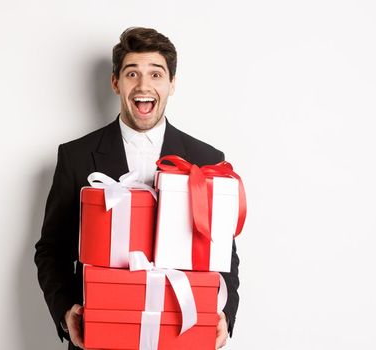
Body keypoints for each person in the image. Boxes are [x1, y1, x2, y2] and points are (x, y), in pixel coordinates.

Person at [34, 27, 241, 350]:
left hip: (181, 332)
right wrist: (66, 312)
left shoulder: (206, 159)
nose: (144, 86)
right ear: (116, 82)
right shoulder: (75, 156)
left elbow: (223, 253)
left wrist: (224, 313)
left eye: (156, 74)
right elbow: (52, 250)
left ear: (172, 84)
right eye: (132, 73)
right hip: (101, 333)